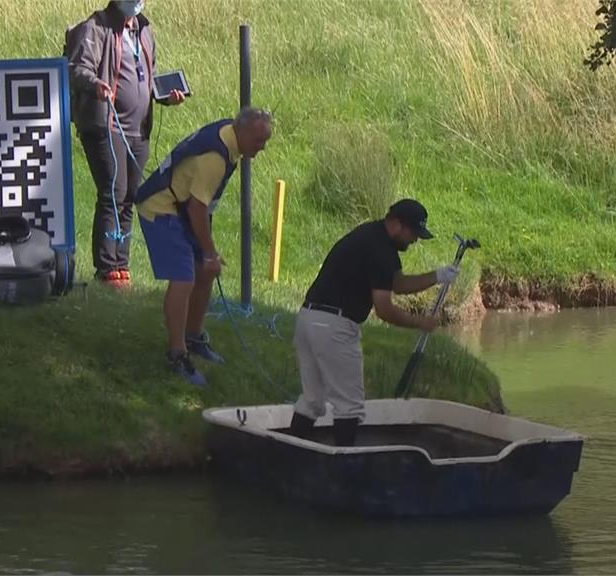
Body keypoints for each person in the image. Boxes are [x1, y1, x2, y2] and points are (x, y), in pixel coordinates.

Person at [288, 199, 461, 446]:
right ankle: (345, 465)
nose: (414, 240)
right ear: (396, 223)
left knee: (313, 399)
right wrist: (419, 322)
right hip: (336, 327)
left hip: (308, 318)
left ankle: (291, 453)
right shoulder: (381, 251)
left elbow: (397, 284)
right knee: (349, 405)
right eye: (413, 233)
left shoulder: (370, 235)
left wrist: (437, 276)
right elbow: (384, 309)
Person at [134, 108, 274, 386]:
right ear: (243, 132)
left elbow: (199, 206)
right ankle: (177, 354)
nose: (263, 147)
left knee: (206, 271)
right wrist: (209, 251)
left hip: (182, 207)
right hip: (162, 208)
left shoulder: (229, 134)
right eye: (259, 141)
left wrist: (208, 255)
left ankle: (193, 336)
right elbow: (198, 209)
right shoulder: (215, 159)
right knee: (184, 278)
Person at [66, 0, 186, 289]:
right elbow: (76, 67)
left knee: (130, 196)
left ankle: (122, 264)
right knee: (113, 192)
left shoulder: (145, 30)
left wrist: (165, 96)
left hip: (138, 129)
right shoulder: (94, 28)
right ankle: (107, 268)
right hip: (105, 125)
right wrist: (95, 83)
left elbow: (148, 76)